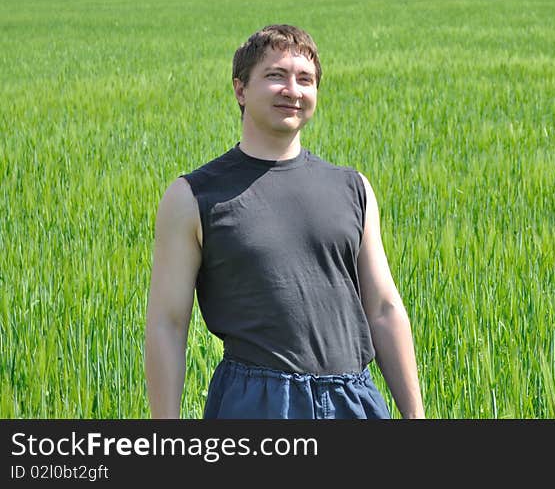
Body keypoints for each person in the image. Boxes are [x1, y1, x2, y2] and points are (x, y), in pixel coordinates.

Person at [145, 24, 425, 419]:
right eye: (275, 76)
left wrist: (415, 414)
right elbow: (168, 325)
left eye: (305, 79)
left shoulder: (353, 187)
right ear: (240, 90)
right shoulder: (194, 196)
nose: (292, 90)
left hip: (353, 400)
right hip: (257, 402)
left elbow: (383, 309)